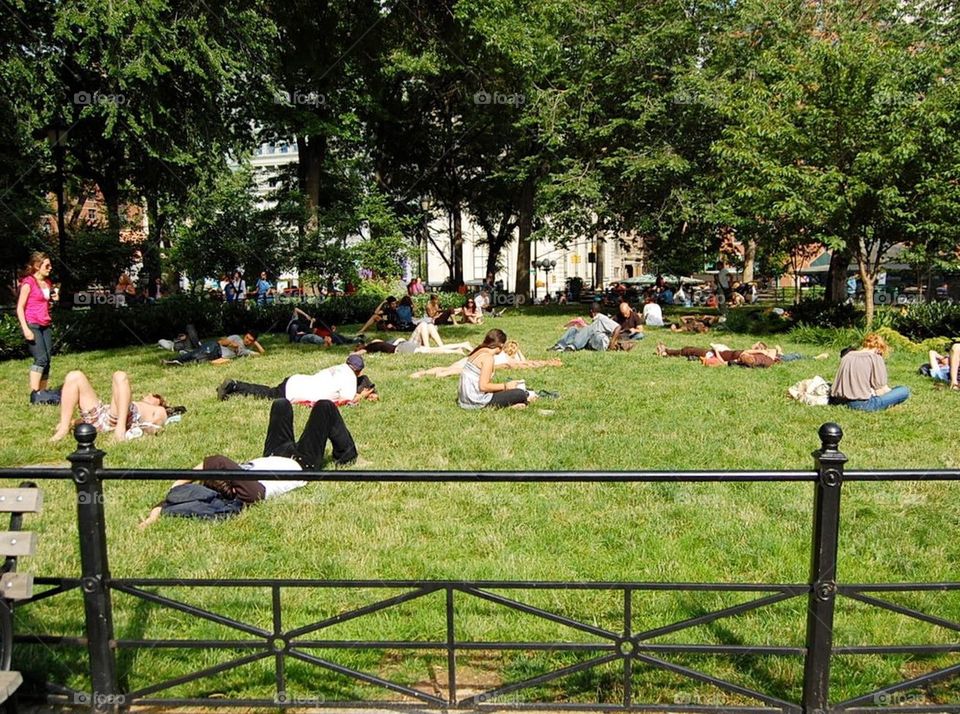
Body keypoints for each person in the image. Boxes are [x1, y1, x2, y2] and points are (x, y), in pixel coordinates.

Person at [139, 398, 358, 527]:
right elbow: (216, 462)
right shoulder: (251, 492)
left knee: (281, 404)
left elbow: (206, 473)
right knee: (324, 407)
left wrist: (158, 509)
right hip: (301, 464)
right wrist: (177, 486)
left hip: (275, 453)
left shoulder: (240, 477)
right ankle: (347, 454)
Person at [50, 370, 177, 443]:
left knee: (120, 375)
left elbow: (156, 424)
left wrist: (147, 430)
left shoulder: (158, 409)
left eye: (154, 395)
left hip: (120, 419)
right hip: (101, 415)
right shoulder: (126, 400)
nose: (148, 394)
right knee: (75, 375)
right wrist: (73, 422)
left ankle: (120, 430)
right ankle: (63, 428)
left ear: (159, 402)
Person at [217, 354, 378, 405]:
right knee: (265, 394)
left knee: (268, 391)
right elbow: (348, 401)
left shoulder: (338, 368)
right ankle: (235, 386)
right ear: (359, 371)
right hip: (295, 391)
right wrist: (363, 395)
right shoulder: (350, 378)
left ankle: (235, 388)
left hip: (297, 380)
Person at [829, 333, 910, 411]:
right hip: (862, 404)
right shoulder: (875, 358)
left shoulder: (847, 356)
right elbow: (881, 390)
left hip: (839, 400)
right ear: (879, 349)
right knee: (903, 390)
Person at [458, 329, 533, 409]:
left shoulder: (477, 352)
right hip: (476, 401)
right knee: (520, 393)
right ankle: (520, 401)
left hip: (464, 399)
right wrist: (505, 386)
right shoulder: (487, 358)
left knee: (512, 391)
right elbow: (483, 386)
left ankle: (517, 403)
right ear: (501, 345)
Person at [16, 252, 55, 402]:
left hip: (46, 324)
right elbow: (20, 308)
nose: (50, 268)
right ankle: (35, 394)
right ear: (37, 266)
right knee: (41, 359)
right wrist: (26, 329)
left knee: (48, 360)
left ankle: (43, 394)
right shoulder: (28, 283)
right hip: (32, 324)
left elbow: (44, 302)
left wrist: (53, 299)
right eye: (47, 265)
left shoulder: (48, 283)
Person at [411, 340, 562, 378]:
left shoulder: (497, 353)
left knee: (450, 367)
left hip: (471, 358)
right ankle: (443, 374)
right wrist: (548, 363)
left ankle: (423, 373)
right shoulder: (509, 360)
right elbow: (527, 363)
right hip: (476, 365)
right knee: (454, 371)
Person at [356, 323, 472, 355]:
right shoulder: (371, 346)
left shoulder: (373, 344)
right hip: (405, 345)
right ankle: (462, 345)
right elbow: (360, 352)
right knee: (424, 325)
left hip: (405, 344)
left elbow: (362, 350)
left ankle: (461, 346)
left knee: (427, 326)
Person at [654, 341, 784, 368]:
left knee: (690, 349)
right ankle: (667, 352)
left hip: (715, 353)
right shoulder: (766, 360)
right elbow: (773, 351)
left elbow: (722, 362)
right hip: (722, 351)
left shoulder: (739, 358)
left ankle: (667, 351)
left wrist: (715, 349)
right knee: (690, 351)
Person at [163, 331, 264, 366]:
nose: (247, 340)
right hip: (215, 347)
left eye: (250, 340)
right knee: (195, 354)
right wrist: (230, 343)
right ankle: (171, 360)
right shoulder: (236, 338)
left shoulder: (245, 351)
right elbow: (220, 342)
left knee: (197, 358)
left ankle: (179, 360)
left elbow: (262, 354)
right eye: (247, 337)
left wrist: (256, 343)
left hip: (216, 356)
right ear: (245, 335)